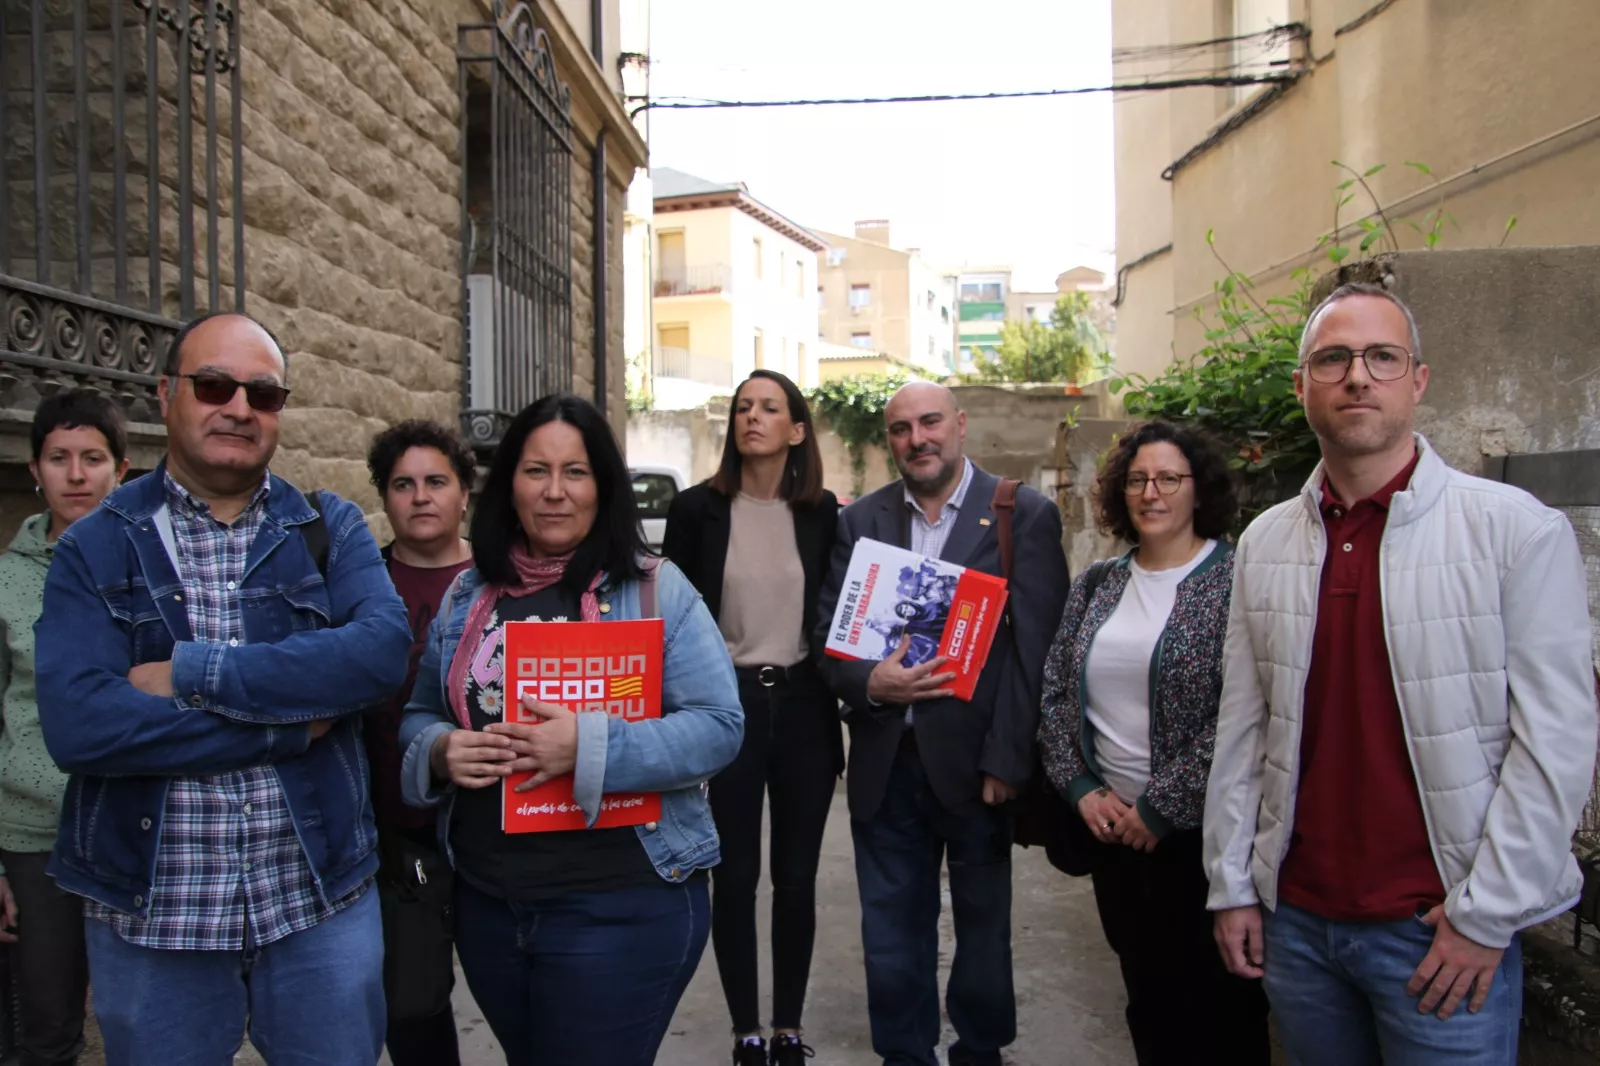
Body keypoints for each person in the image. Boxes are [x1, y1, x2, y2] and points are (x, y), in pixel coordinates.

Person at [1204, 283, 1599, 1065]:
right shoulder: (1265, 543)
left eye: (1382, 357)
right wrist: (1233, 886)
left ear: (1417, 380)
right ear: (1303, 385)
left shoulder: (1515, 531)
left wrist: (1485, 917)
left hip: (1437, 937)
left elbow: (1556, 744)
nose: (1358, 376)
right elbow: (1244, 730)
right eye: (1333, 358)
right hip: (1299, 930)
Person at [33, 312, 412, 1065]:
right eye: (214, 385)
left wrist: (191, 672)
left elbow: (378, 656)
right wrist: (280, 727)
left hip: (317, 907)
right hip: (155, 919)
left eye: (263, 394)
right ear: (166, 394)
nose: (239, 407)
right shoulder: (94, 544)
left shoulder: (328, 528)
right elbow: (81, 727)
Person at [398, 393, 743, 1066]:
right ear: (509, 486)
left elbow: (718, 727)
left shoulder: (655, 590)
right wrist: (441, 749)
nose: (555, 492)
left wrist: (593, 747)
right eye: (535, 471)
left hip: (621, 906)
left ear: (603, 486)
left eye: (576, 472)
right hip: (491, 908)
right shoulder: (469, 595)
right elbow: (420, 712)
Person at [814, 382, 1069, 1066]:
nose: (916, 439)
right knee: (892, 934)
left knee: (983, 931)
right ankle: (905, 1055)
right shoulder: (860, 521)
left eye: (929, 423)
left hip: (978, 764)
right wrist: (870, 681)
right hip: (885, 763)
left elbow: (1037, 654)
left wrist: (1008, 759)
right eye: (900, 428)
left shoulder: (1022, 515)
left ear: (959, 425)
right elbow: (828, 641)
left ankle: (980, 1050)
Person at [1037, 420, 1268, 1065]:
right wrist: (1082, 790)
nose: (1151, 492)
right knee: (1148, 1002)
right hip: (1114, 837)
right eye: (1137, 480)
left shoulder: (1235, 580)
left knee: (1223, 1009)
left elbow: (1247, 712)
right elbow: (1056, 693)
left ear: (1200, 488)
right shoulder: (1099, 583)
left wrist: (1163, 807)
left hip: (1205, 841)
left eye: (1169, 478)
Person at [663, 370, 841, 1066]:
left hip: (802, 706)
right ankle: (746, 1030)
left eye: (770, 408)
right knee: (733, 877)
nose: (752, 418)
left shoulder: (825, 512)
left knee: (796, 877)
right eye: (743, 407)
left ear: (797, 429)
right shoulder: (695, 510)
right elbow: (674, 620)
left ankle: (789, 1027)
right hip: (724, 706)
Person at [0, 390, 130, 1066]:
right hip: (32, 839)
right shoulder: (6, 583)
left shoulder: (150, 573)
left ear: (122, 469)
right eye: (59, 458)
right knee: (45, 1031)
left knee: (144, 1020)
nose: (76, 475)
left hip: (135, 829)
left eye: (92, 458)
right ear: (35, 472)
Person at [365, 419, 478, 1066]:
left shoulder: (503, 582)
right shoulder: (360, 588)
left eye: (437, 481)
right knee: (413, 1009)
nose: (420, 496)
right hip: (397, 838)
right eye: (403, 484)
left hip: (492, 832)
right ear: (385, 497)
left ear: (465, 492)